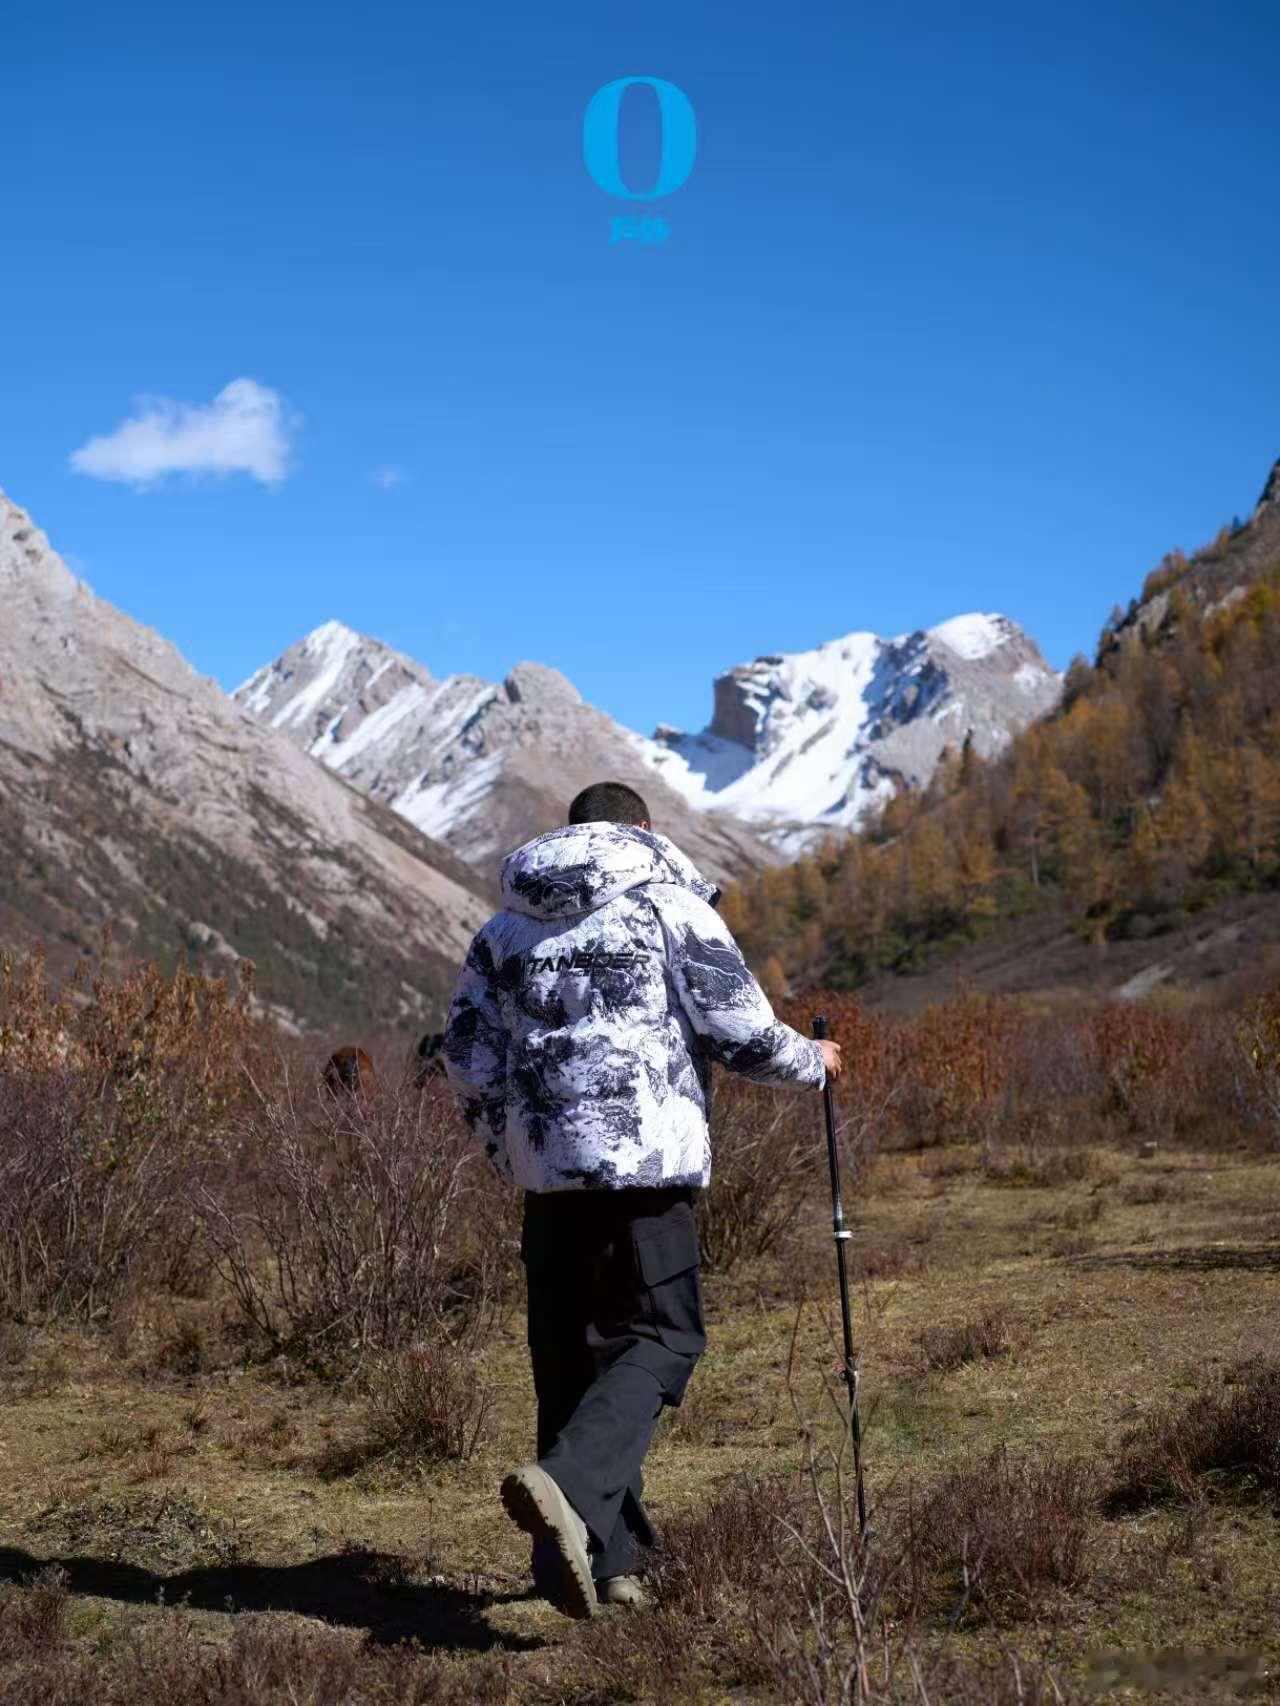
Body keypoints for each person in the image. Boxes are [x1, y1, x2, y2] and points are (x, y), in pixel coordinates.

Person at [441, 781, 842, 1619]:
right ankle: (567, 1485)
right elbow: (738, 1030)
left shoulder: (502, 928)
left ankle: (604, 1569)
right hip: (645, 1171)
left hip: (547, 1180)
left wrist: (508, 1143)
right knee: (664, 1336)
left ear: (571, 830)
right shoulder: (670, 906)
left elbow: (467, 1056)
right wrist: (814, 1059)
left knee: (569, 1364)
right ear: (642, 831)